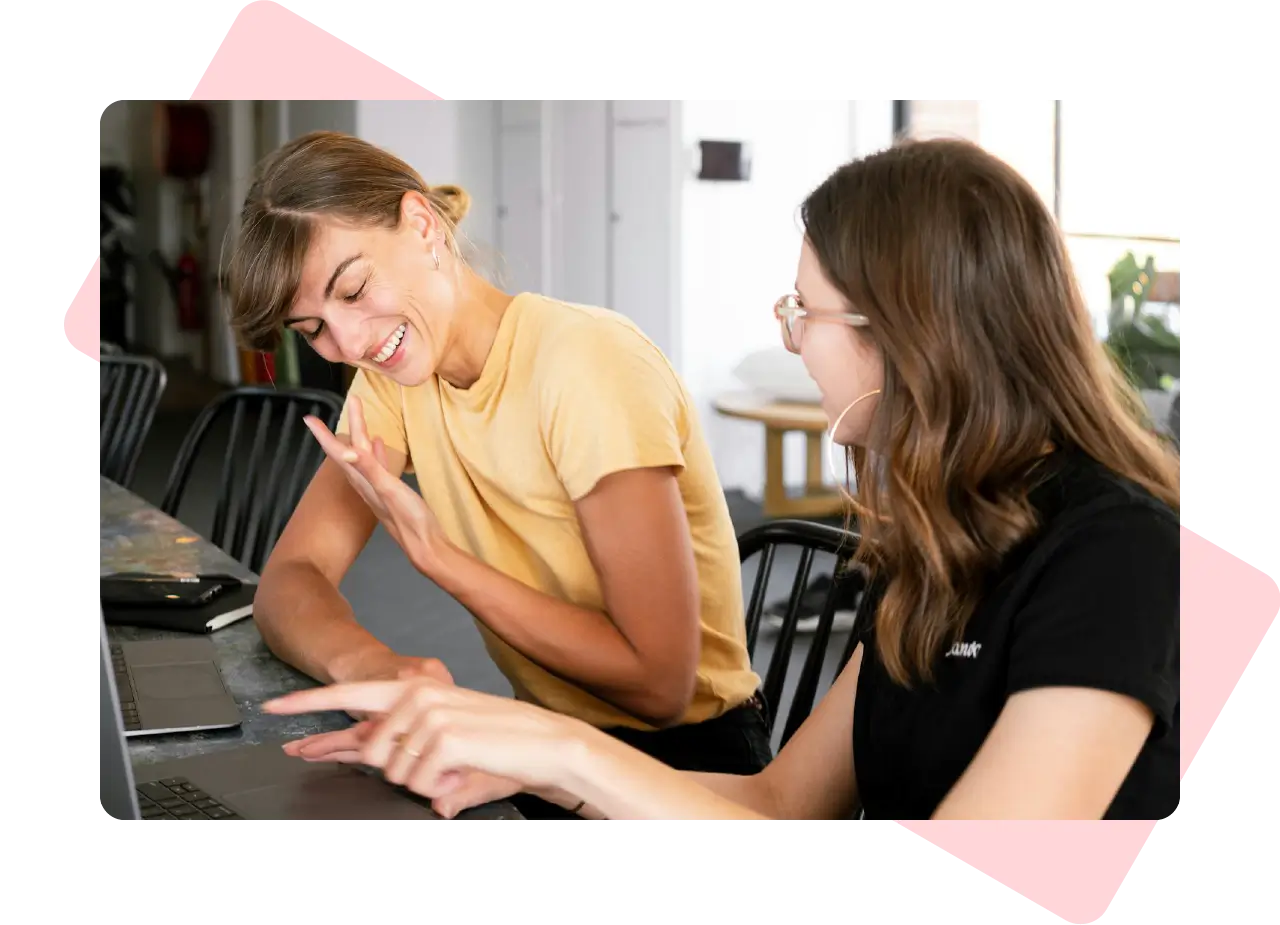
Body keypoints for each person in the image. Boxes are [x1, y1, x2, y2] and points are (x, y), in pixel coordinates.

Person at [264, 137, 1183, 823]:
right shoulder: (940, 546)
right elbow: (780, 803)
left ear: (906, 331)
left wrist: (550, 746)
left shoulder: (1120, 552)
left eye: (804, 311)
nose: (792, 338)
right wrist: (532, 758)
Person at [224, 131, 770, 822]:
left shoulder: (584, 364)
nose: (351, 342)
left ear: (422, 225)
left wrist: (443, 562)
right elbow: (292, 575)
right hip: (543, 747)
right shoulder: (393, 378)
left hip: (690, 767)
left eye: (355, 289)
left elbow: (660, 684)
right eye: (314, 330)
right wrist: (375, 669)